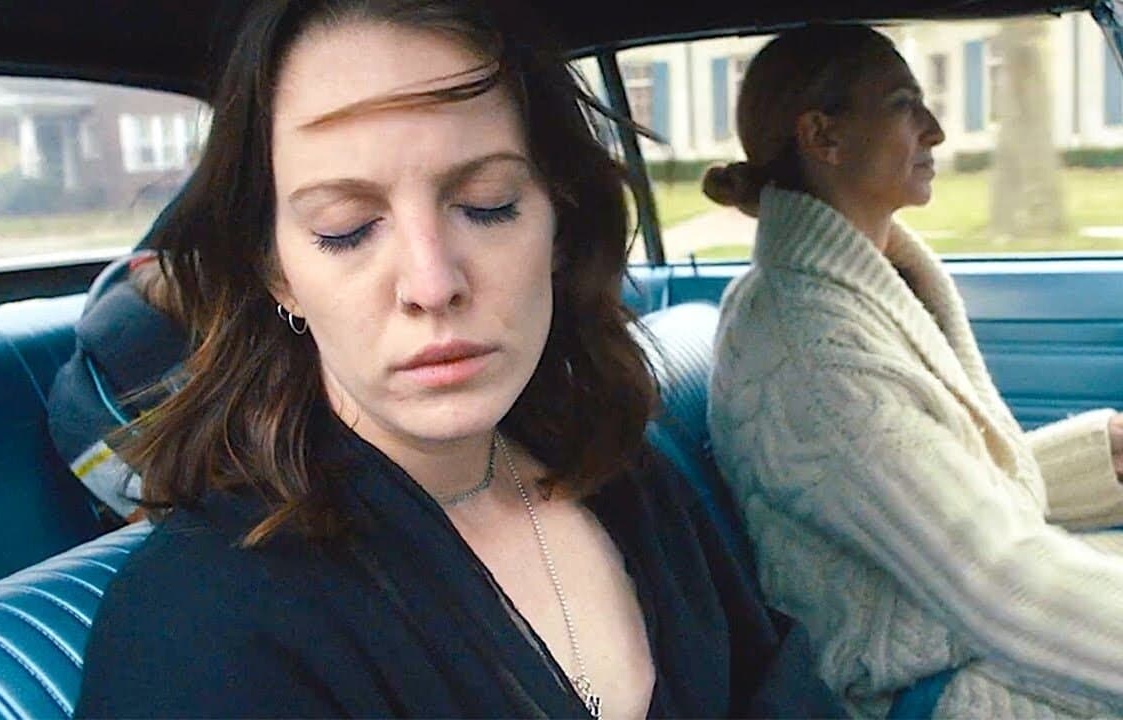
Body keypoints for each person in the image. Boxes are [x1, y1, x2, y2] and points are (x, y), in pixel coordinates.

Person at [73, 0, 843, 717]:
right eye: (346, 228)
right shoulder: (193, 627)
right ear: (279, 274)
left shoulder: (631, 482)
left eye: (488, 204)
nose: (432, 283)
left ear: (558, 225)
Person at [705, 23, 1123, 719]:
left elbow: (922, 492)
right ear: (823, 136)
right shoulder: (809, 342)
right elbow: (996, 580)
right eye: (904, 104)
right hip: (924, 690)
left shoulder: (858, 288)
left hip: (956, 636)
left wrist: (1098, 460)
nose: (935, 130)